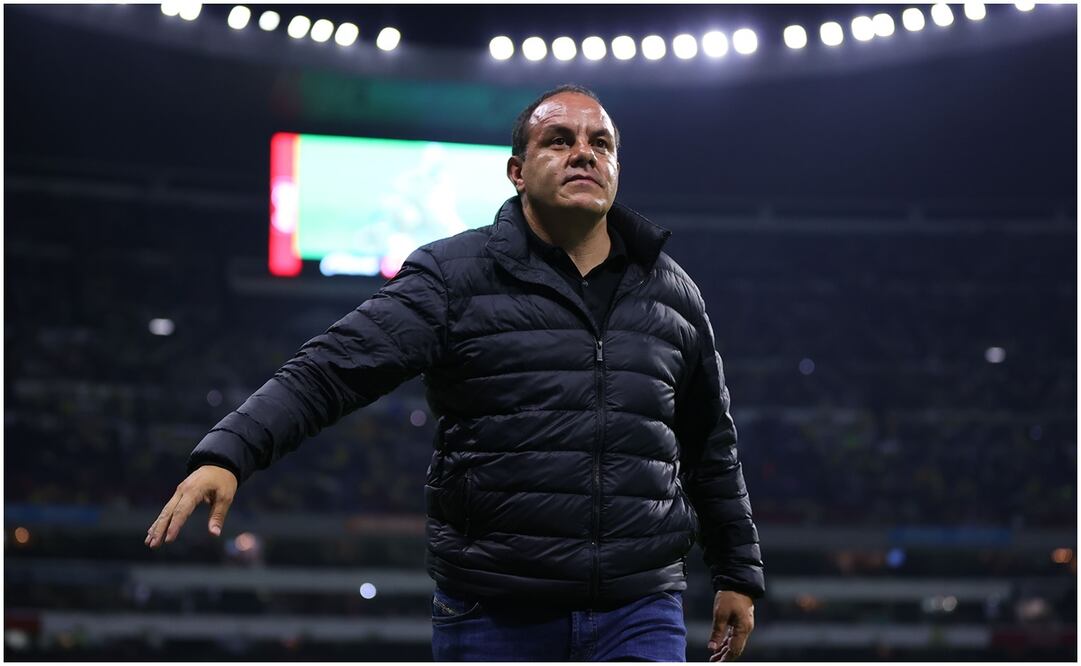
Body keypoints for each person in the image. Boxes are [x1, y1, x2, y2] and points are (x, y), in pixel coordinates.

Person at [145, 84, 765, 662]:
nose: (583, 153)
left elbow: (710, 443)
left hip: (641, 605)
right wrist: (230, 452)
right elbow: (331, 369)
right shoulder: (453, 276)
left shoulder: (672, 292)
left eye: (599, 142)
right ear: (517, 172)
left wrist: (736, 571)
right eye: (559, 140)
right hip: (495, 609)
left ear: (616, 168)